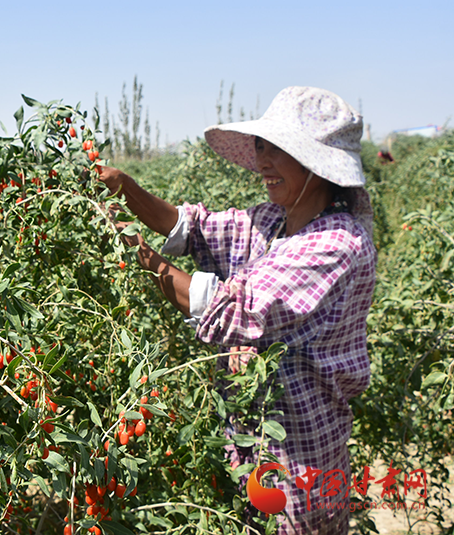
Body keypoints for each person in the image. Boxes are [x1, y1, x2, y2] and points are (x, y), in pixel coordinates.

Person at [98, 86, 376, 534]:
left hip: (301, 454)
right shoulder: (272, 220)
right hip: (255, 440)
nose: (263, 161)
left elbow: (227, 309)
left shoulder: (336, 244)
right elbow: (195, 228)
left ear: (318, 165)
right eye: (261, 147)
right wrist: (125, 188)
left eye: (278, 149)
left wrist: (137, 251)